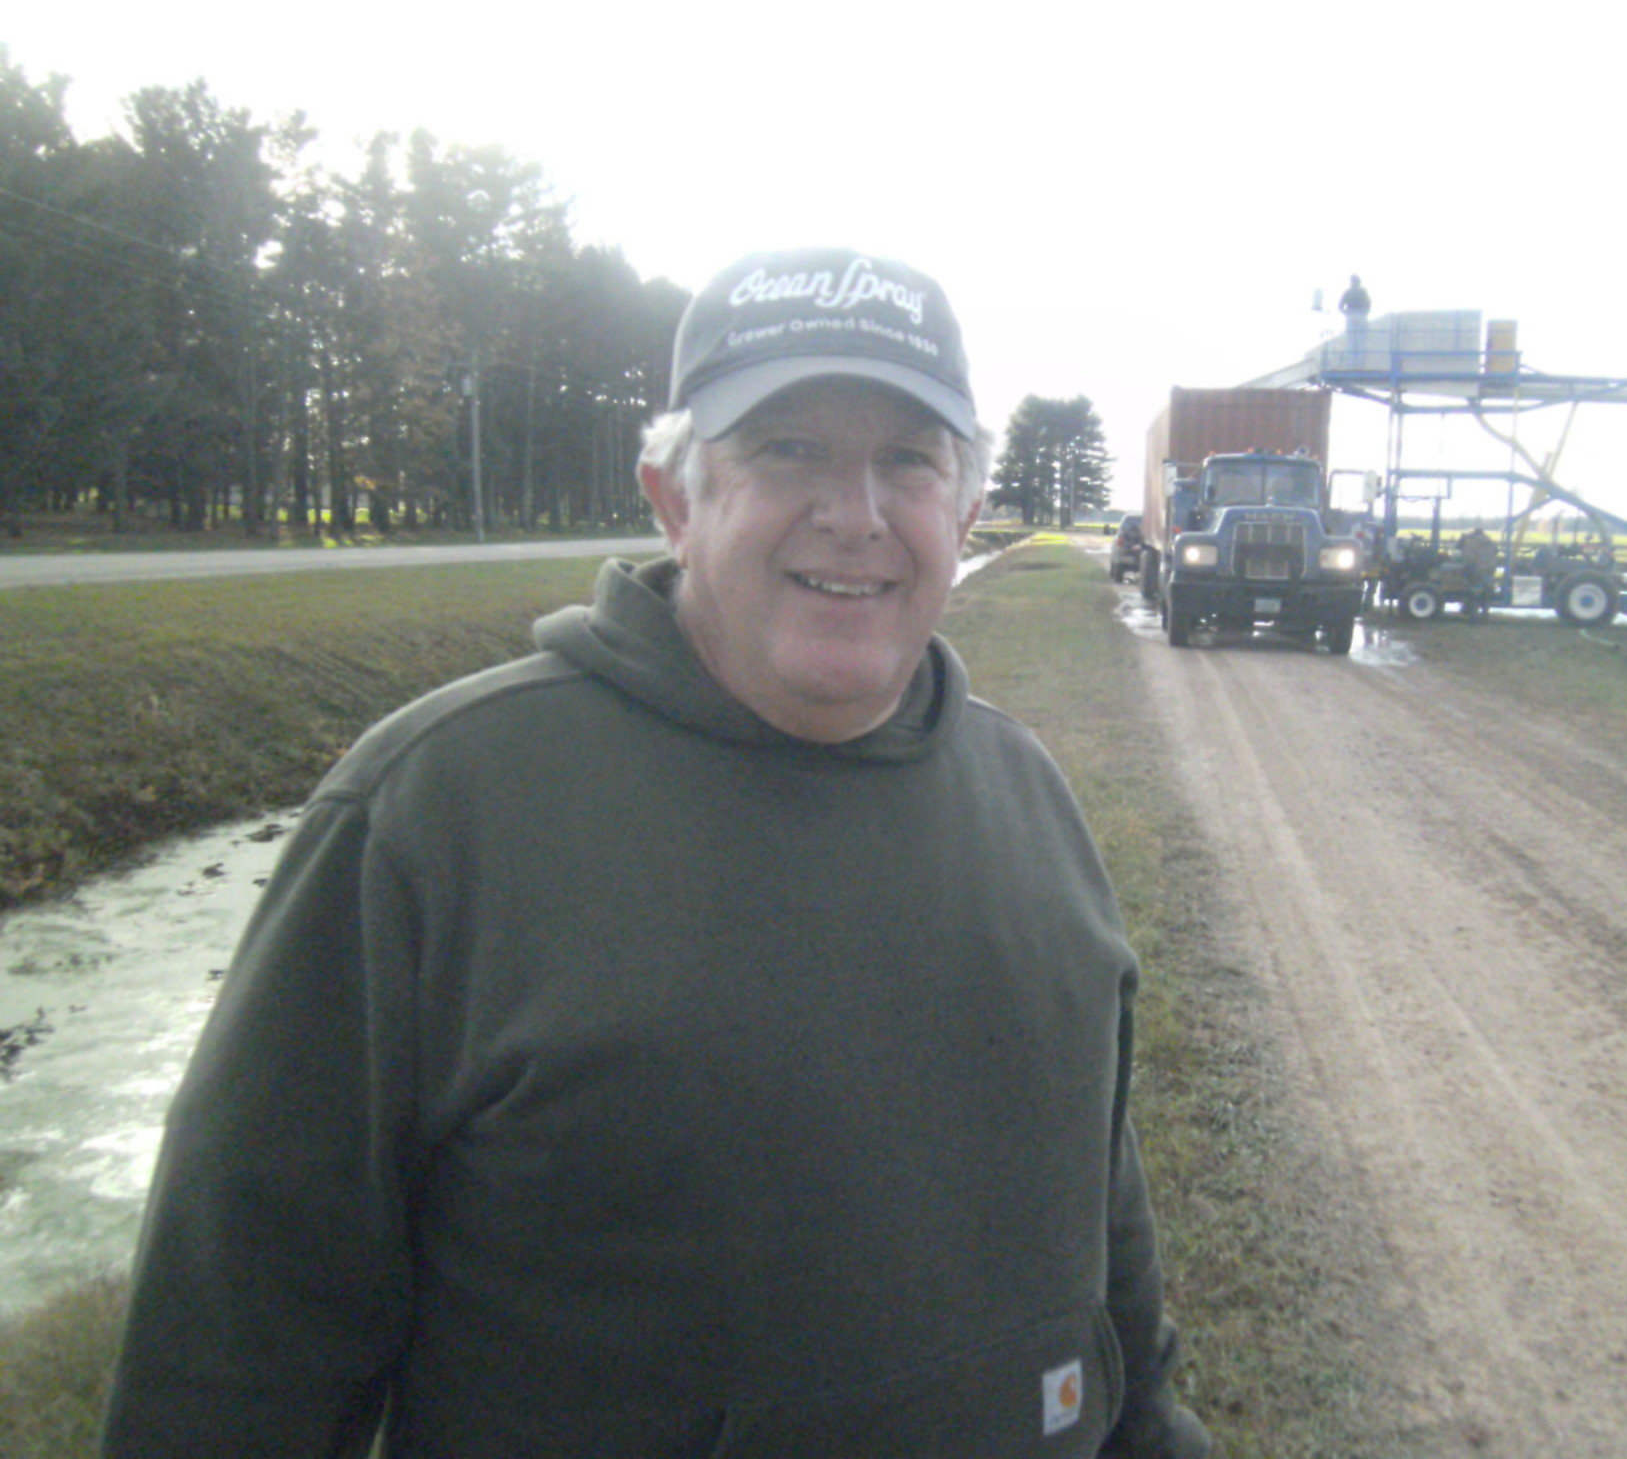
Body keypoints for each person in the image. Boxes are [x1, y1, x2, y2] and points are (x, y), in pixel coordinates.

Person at [101, 246, 1212, 1459]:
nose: (857, 513)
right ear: (674, 499)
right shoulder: (435, 812)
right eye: (785, 449)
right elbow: (233, 1358)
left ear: (961, 505)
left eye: (908, 458)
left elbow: (1097, 1206)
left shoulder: (1027, 791)